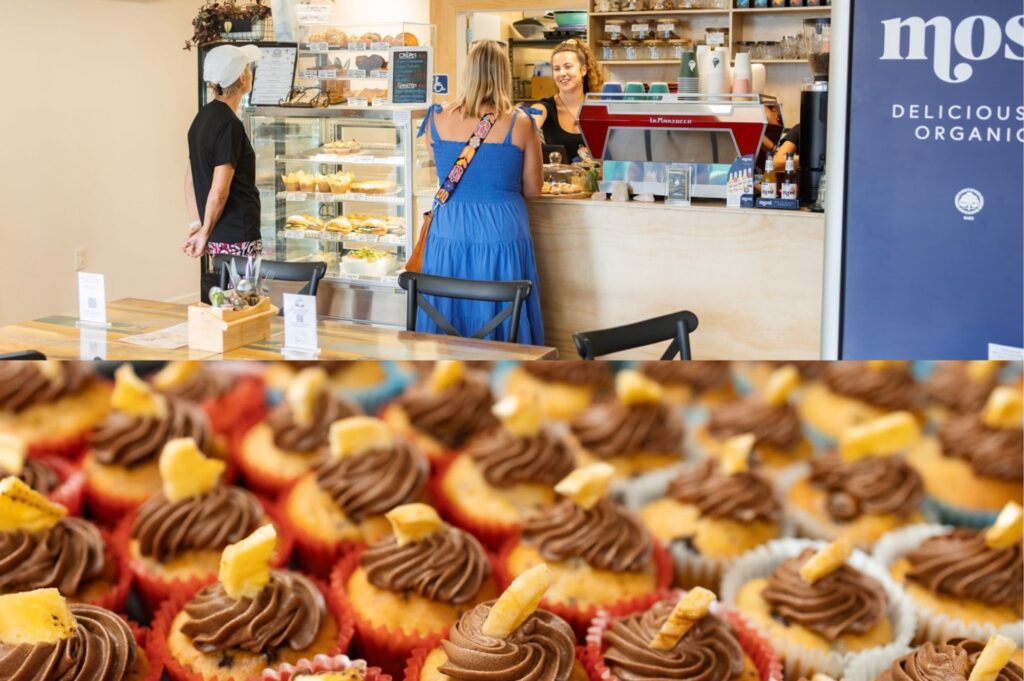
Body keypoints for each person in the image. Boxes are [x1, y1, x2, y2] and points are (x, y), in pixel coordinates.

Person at [416, 39, 544, 345]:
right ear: (503, 73)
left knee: (446, 311)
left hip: (447, 231)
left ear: (468, 72)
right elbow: (534, 189)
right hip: (500, 233)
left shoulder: (436, 118)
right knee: (500, 310)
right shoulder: (520, 123)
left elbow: (441, 166)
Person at [183, 44, 263, 296]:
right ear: (242, 77)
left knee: (222, 305)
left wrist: (198, 226)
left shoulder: (202, 118)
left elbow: (189, 178)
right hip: (238, 234)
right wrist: (204, 232)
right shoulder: (230, 126)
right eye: (249, 69)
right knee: (243, 305)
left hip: (217, 234)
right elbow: (219, 191)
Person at [530, 39, 603, 162]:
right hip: (560, 181)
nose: (562, 73)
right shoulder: (544, 108)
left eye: (568, 66)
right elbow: (527, 123)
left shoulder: (600, 107)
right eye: (557, 69)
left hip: (598, 180)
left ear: (583, 70)